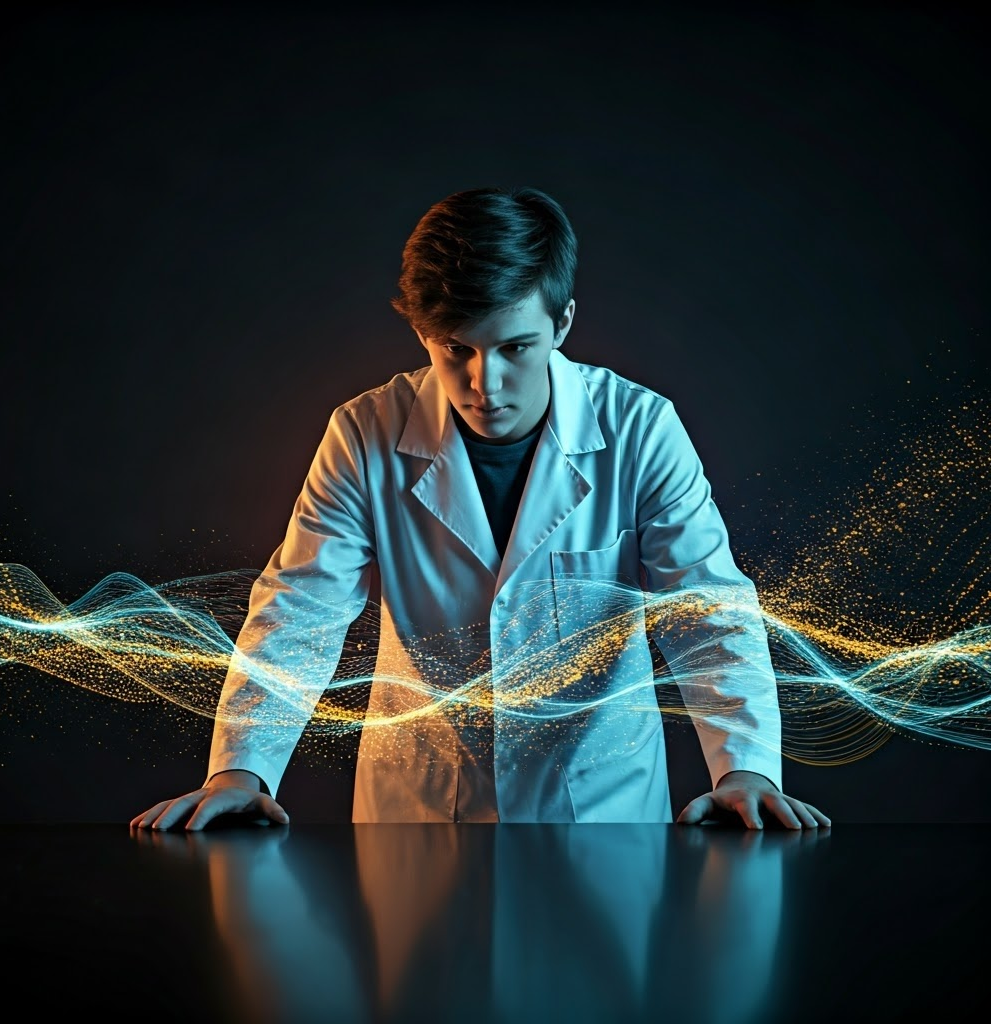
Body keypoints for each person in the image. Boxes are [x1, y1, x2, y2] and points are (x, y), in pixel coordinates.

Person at [131, 185, 831, 831]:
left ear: (562, 324)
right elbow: (301, 608)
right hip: (420, 818)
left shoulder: (641, 429)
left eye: (514, 347)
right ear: (423, 335)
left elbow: (704, 608)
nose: (483, 383)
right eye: (454, 349)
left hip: (599, 816)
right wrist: (239, 769)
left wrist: (744, 770)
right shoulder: (365, 433)